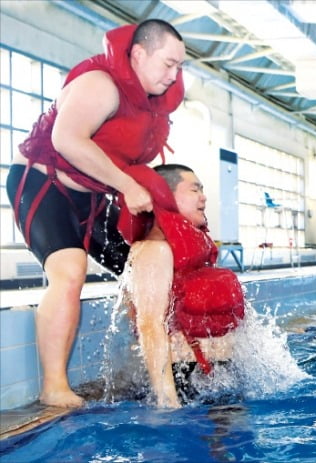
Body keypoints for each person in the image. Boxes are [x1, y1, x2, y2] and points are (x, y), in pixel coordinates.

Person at [5, 20, 186, 408]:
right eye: (168, 64)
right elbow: (66, 140)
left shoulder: (151, 103)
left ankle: (155, 362)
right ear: (139, 54)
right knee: (69, 271)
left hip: (93, 195)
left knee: (146, 270)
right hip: (44, 183)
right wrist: (127, 186)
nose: (175, 76)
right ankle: (53, 387)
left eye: (179, 68)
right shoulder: (101, 84)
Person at [123, 164, 245, 408]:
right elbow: (149, 325)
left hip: (213, 379)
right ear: (165, 196)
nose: (204, 196)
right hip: (184, 382)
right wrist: (167, 401)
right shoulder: (153, 250)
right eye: (194, 189)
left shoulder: (189, 250)